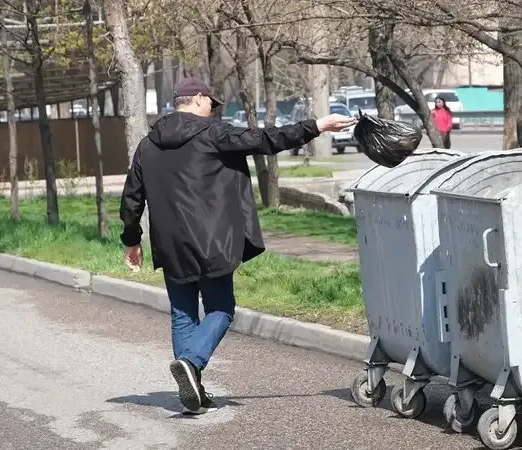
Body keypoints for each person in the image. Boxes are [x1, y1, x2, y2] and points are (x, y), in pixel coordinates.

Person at [119, 77, 356, 414]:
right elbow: (266, 139)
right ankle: (191, 361)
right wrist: (317, 125)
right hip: (212, 240)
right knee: (220, 309)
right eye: (211, 103)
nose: (213, 109)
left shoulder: (147, 144)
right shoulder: (214, 133)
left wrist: (132, 241)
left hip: (169, 243)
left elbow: (131, 198)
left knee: (183, 315)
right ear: (198, 98)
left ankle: (193, 391)